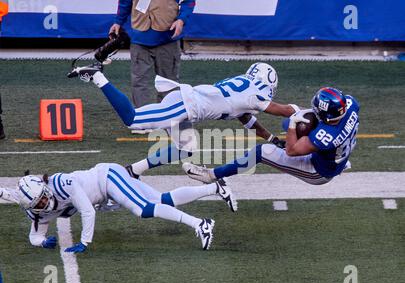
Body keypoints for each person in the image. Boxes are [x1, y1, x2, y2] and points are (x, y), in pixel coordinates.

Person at [67, 62, 300, 178]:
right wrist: (303, 111)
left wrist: (271, 138)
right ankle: (97, 76)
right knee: (133, 120)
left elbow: (247, 119)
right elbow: (280, 109)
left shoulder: (245, 88)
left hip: (188, 106)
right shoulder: (254, 93)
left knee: (185, 149)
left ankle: (133, 171)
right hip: (184, 105)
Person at [0, 163, 238, 252]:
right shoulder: (34, 209)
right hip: (106, 191)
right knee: (162, 200)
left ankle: (200, 224)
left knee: (143, 210)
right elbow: (34, 235)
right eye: (39, 204)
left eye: (43, 198)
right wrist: (42, 242)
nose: (44, 203)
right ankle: (215, 189)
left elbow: (87, 211)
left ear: (44, 186)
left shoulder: (63, 183)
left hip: (108, 178)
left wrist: (84, 242)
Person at [182, 87, 360, 185]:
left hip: (319, 172)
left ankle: (211, 175)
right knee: (300, 115)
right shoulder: (350, 105)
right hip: (338, 152)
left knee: (262, 152)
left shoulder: (326, 135)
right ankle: (338, 162)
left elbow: (291, 150)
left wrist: (292, 125)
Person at [109, 0, 195, 109]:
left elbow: (189, 1)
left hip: (168, 39)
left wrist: (181, 20)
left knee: (168, 83)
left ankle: (167, 117)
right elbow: (125, 2)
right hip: (139, 39)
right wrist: (118, 22)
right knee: (139, 83)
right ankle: (142, 118)